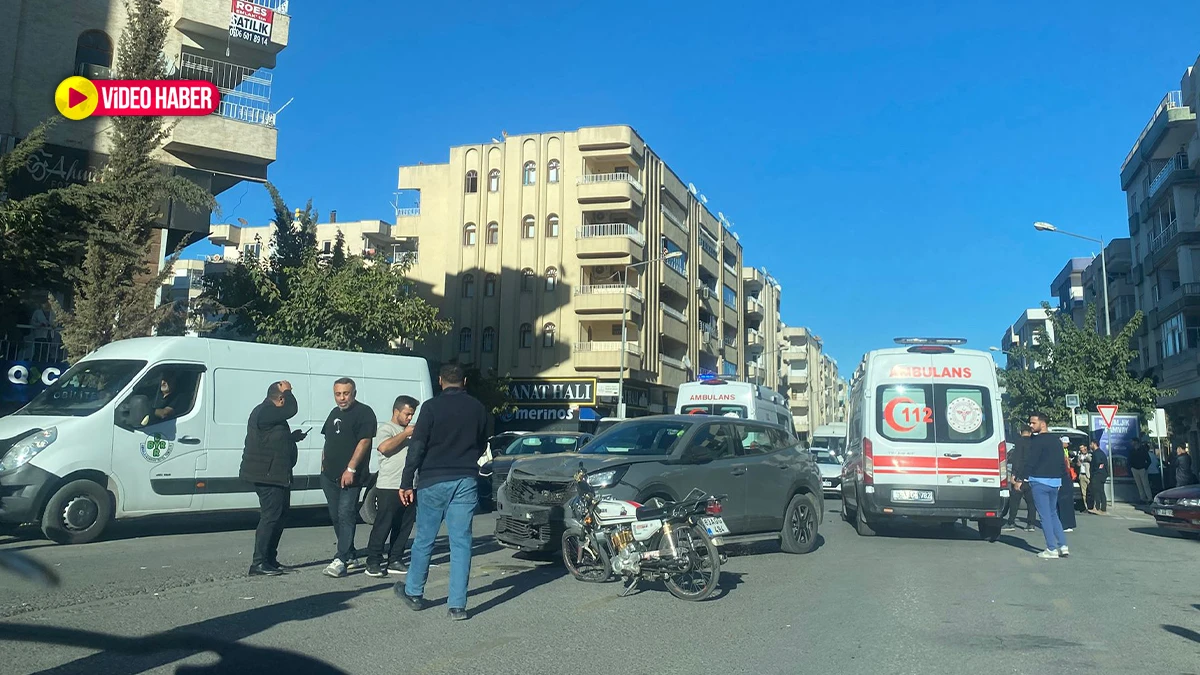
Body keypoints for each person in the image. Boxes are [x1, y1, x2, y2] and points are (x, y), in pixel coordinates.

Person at [395, 364, 488, 621]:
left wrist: (406, 481)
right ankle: (457, 605)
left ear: (440, 381)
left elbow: (417, 446)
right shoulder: (478, 408)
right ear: (465, 381)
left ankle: (414, 592)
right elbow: (482, 443)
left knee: (425, 538)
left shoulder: (431, 407)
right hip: (465, 478)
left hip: (433, 478)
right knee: (461, 542)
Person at [239, 380, 306, 577]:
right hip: (267, 475)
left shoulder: (270, 414)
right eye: (286, 396)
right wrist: (288, 390)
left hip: (277, 474)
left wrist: (291, 437)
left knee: (280, 515)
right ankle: (258, 563)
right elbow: (292, 409)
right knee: (270, 517)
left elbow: (269, 438)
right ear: (280, 398)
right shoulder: (265, 410)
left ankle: (270, 559)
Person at [320, 378, 377, 578]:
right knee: (336, 515)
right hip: (329, 475)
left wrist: (351, 469)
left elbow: (364, 442)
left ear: (354, 393)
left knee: (346, 514)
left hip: (350, 476)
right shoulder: (334, 413)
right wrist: (323, 464)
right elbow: (327, 440)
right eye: (338, 394)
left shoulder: (364, 413)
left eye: (346, 393)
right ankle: (351, 554)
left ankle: (341, 558)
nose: (342, 398)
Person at [365, 395, 420, 578]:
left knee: (404, 525)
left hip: (410, 485)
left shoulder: (412, 431)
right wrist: (405, 434)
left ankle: (395, 559)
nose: (409, 418)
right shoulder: (386, 429)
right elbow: (384, 448)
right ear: (396, 411)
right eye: (407, 414)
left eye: (412, 414)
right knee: (383, 524)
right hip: (389, 485)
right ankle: (373, 561)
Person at [1018, 412, 1069, 559]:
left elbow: (1031, 461)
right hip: (1055, 482)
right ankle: (1063, 545)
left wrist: (1021, 478)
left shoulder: (1036, 441)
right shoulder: (1056, 441)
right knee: (1053, 514)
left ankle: (1051, 548)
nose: (1031, 426)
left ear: (1043, 423)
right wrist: (1061, 480)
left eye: (1034, 423)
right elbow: (1062, 462)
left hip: (1039, 481)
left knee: (1045, 516)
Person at [1003, 427, 1038, 532]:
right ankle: (1031, 523)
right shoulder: (1035, 443)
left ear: (1020, 432)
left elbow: (1017, 459)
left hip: (1020, 475)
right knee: (1031, 502)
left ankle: (1011, 522)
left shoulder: (1019, 442)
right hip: (1032, 475)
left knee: (1015, 501)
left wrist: (1014, 474)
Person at [1058, 440, 1078, 533]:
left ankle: (1065, 524)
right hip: (1066, 480)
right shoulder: (1063, 455)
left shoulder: (1060, 456)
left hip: (1064, 481)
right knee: (1066, 503)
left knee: (1064, 502)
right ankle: (1067, 524)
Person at [1089, 441, 1109, 514]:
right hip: (1102, 474)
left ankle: (1097, 508)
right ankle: (1103, 508)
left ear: (1094, 444)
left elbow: (1098, 463)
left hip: (1097, 475)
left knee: (1096, 491)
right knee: (1101, 491)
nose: (1090, 446)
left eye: (1091, 444)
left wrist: (1094, 472)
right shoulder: (1101, 453)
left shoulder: (1096, 453)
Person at [1076, 442, 1093, 512]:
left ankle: (1091, 506)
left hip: (1088, 475)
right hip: (1081, 475)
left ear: (1085, 448)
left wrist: (1086, 455)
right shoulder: (1079, 456)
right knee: (1083, 492)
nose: (1081, 449)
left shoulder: (1089, 454)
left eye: (1082, 448)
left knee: (1090, 491)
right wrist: (1078, 463)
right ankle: (1085, 506)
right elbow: (1078, 464)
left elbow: (1090, 460)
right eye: (1080, 448)